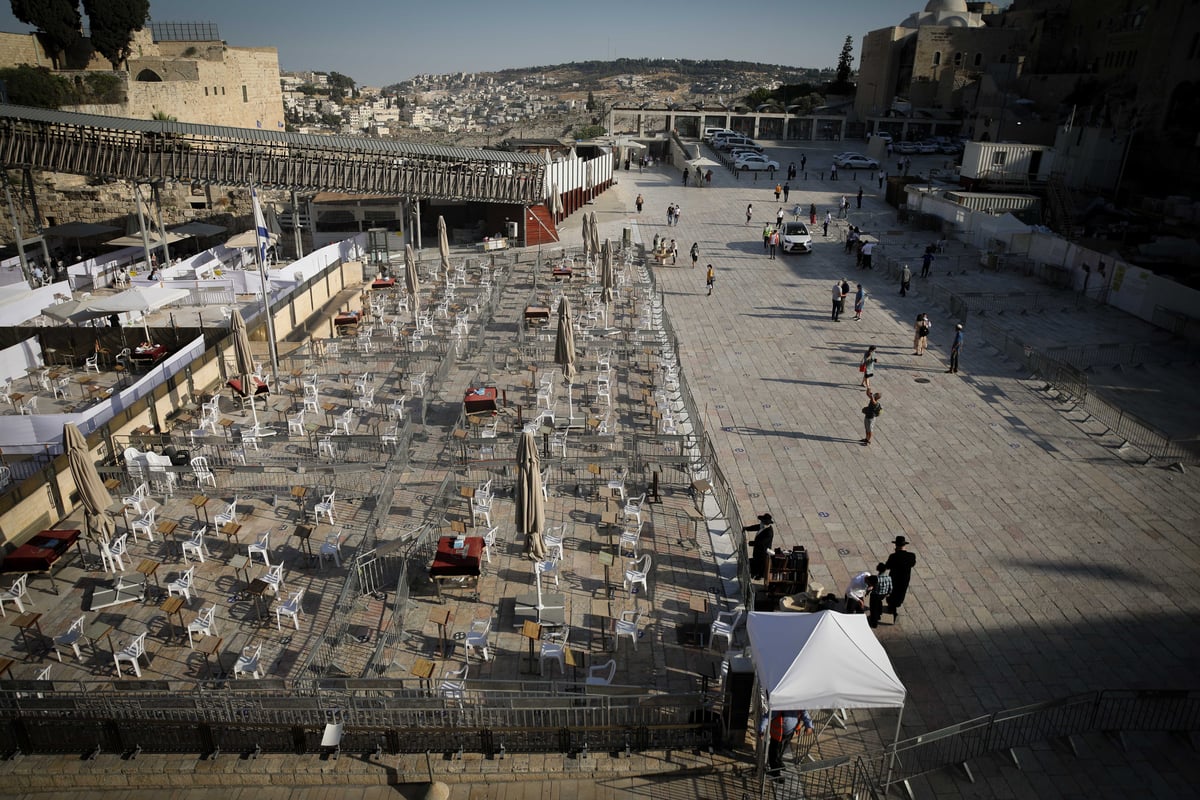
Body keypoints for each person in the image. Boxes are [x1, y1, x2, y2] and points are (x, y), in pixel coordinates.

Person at [764, 709, 814, 775]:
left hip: (788, 733)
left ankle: (777, 767)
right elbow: (769, 715)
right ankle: (775, 770)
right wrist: (762, 727)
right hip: (778, 732)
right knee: (775, 751)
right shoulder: (783, 704)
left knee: (779, 750)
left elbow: (805, 714)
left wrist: (809, 726)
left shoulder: (799, 705)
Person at [885, 536, 917, 620]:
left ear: (896, 545)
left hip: (894, 579)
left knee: (892, 594)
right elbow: (913, 564)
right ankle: (896, 605)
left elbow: (888, 566)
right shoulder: (911, 556)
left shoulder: (893, 556)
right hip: (904, 580)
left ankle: (892, 609)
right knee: (900, 594)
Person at [744, 512, 775, 580]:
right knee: (756, 560)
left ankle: (759, 575)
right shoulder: (762, 526)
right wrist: (747, 528)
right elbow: (755, 527)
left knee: (760, 563)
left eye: (763, 522)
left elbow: (761, 543)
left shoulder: (769, 533)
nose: (761, 523)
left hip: (763, 551)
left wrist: (751, 543)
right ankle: (754, 573)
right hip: (757, 549)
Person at [867, 562, 893, 628]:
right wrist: (888, 594)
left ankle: (874, 623)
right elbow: (891, 587)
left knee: (873, 608)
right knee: (879, 602)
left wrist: (868, 591)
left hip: (875, 595)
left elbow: (871, 587)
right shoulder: (889, 578)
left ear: (878, 569)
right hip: (883, 595)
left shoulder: (876, 578)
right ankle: (878, 614)